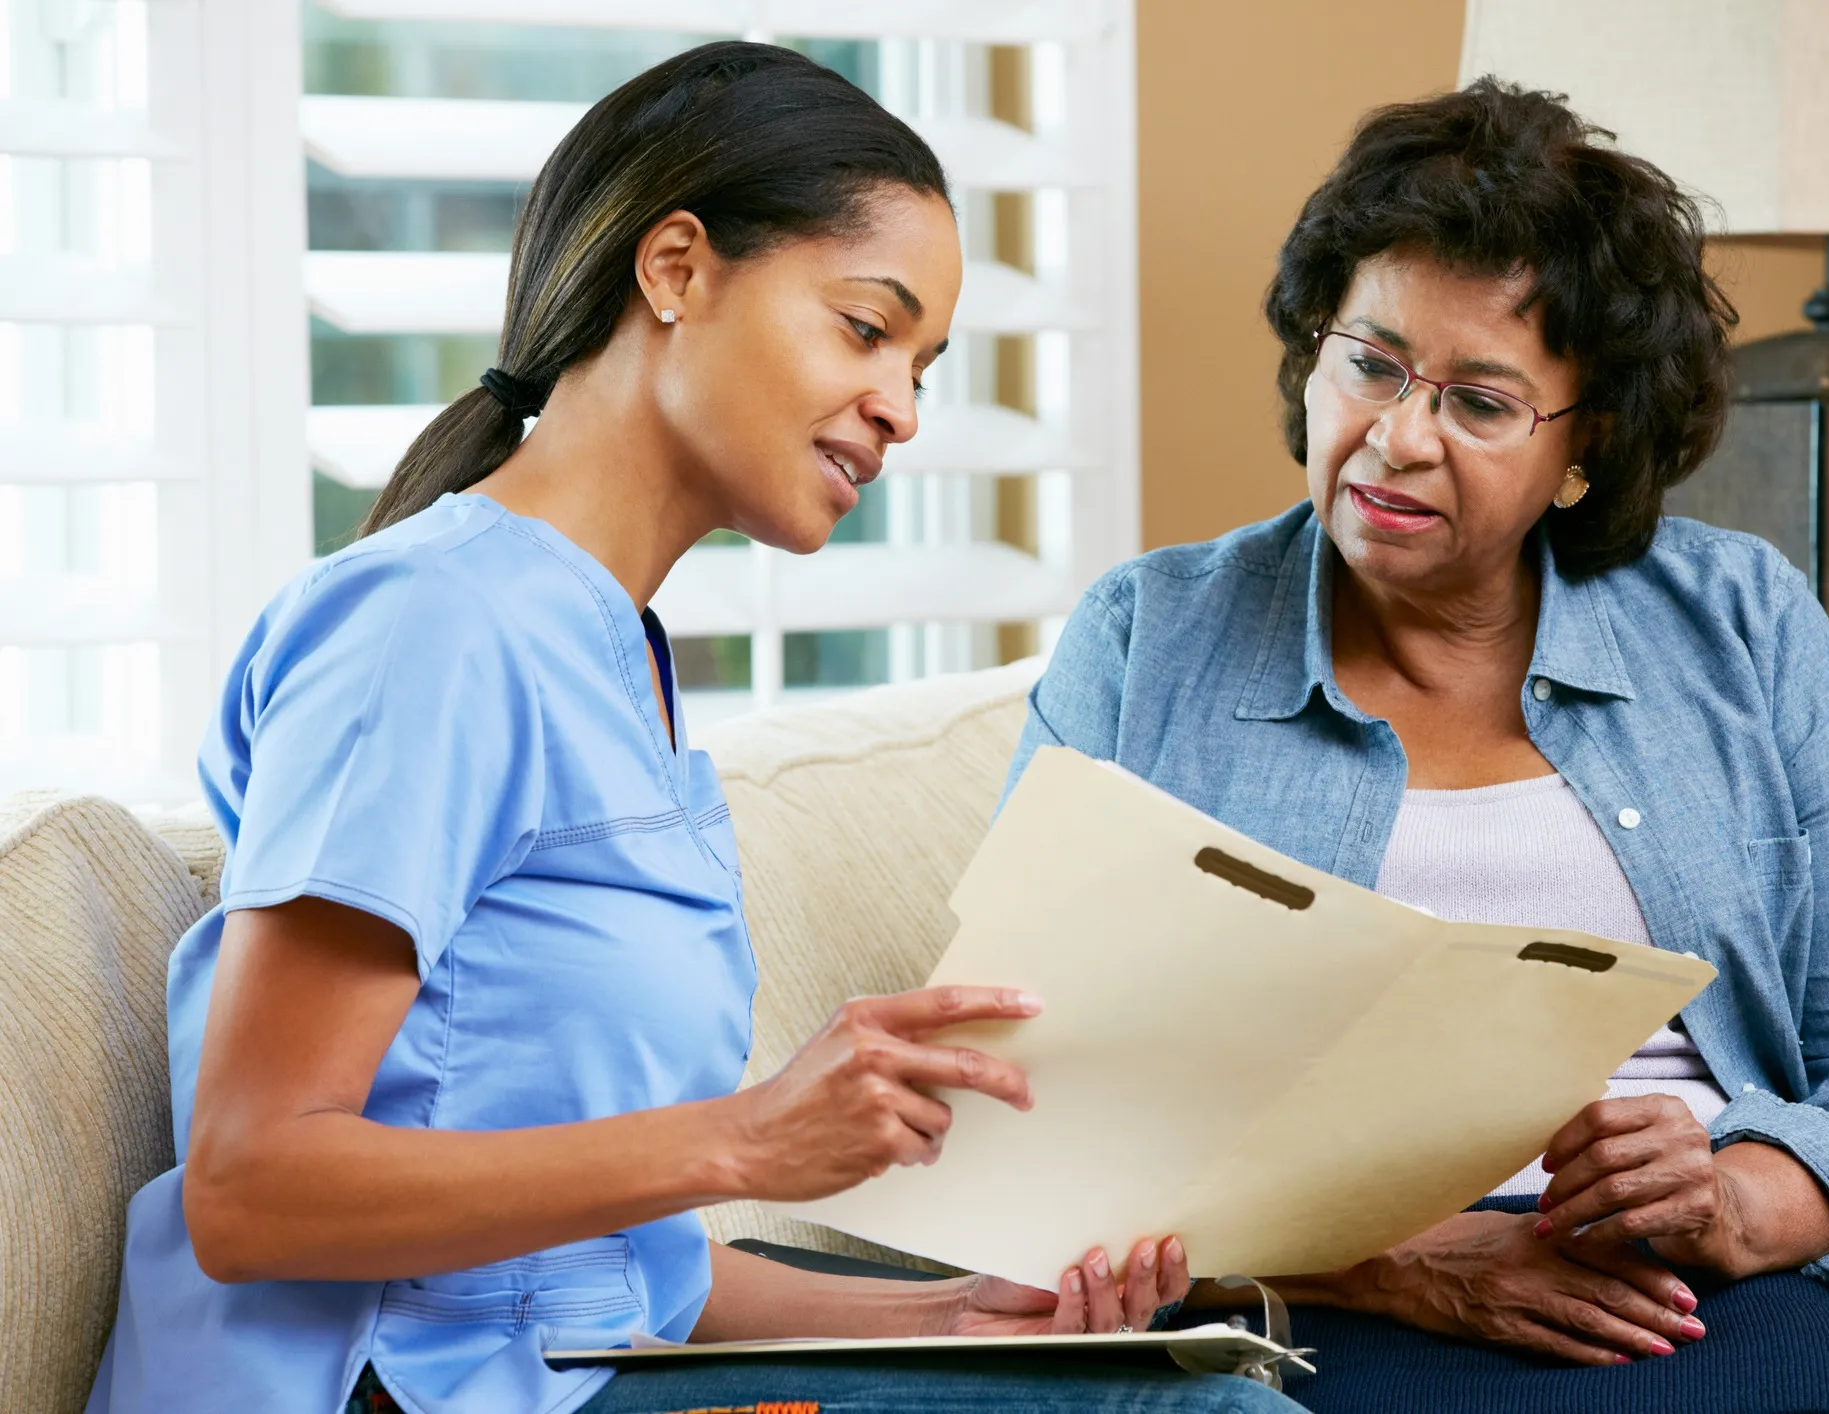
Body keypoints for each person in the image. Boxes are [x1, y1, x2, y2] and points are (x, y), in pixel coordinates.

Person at [90, 43, 1295, 1414]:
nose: (903, 407)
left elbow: (617, 1277)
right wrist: (748, 1137)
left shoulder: (623, 670)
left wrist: (959, 1315)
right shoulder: (432, 628)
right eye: (866, 327)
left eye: (926, 362)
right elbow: (252, 1188)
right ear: (676, 268)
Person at [1004, 80, 1829, 1414]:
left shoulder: (1743, 625)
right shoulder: (1150, 640)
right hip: (1321, 1302)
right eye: (1369, 363)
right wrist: (1392, 1260)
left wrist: (1736, 1194)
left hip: (1710, 1284)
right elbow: (1028, 1104)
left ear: (1585, 446)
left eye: (1481, 403)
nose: (1396, 438)